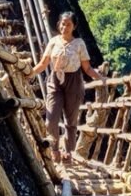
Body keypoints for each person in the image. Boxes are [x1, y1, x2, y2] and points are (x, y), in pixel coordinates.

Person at [30, 12, 102, 165]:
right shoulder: (53, 42)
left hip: (73, 81)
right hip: (55, 81)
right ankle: (55, 149)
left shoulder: (79, 44)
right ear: (59, 24)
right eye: (63, 23)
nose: (65, 27)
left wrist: (101, 78)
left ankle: (68, 152)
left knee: (71, 120)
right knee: (51, 120)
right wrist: (29, 73)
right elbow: (43, 64)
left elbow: (87, 68)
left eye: (68, 24)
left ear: (74, 26)